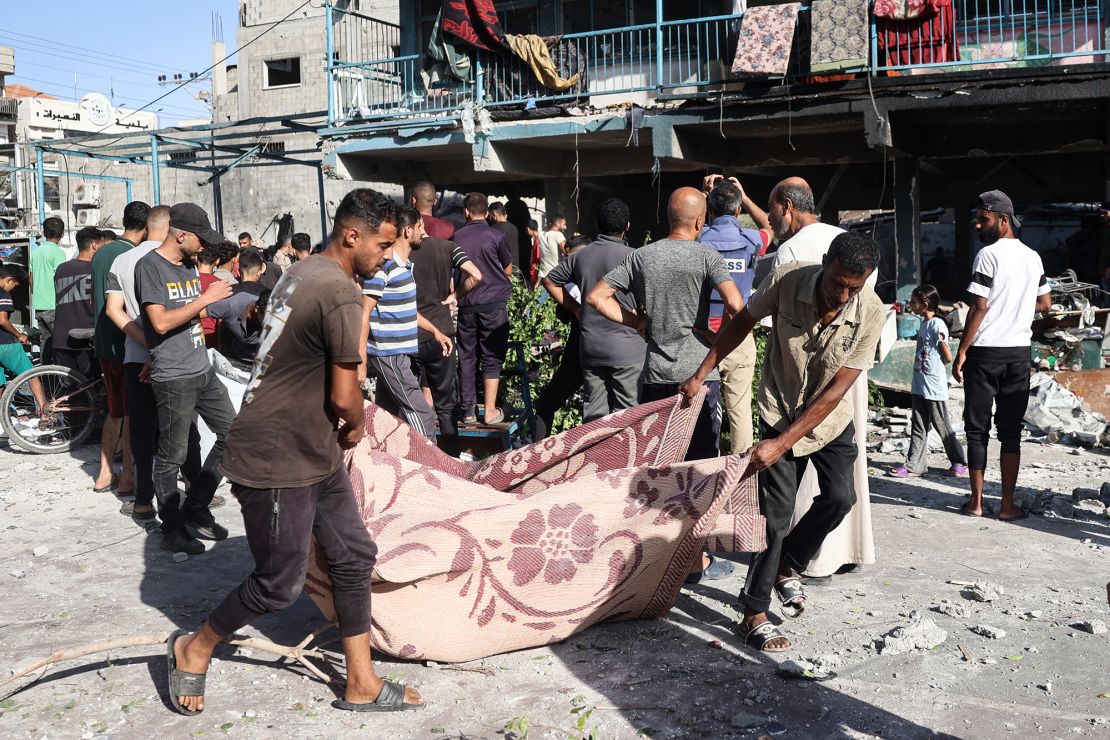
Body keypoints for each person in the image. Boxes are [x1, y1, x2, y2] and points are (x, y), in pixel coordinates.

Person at [166, 188, 424, 716]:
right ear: (352, 235)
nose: (388, 257)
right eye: (383, 245)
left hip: (311, 449)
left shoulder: (302, 272)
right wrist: (353, 427)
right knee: (278, 582)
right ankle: (196, 645)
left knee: (353, 556)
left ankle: (361, 681)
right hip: (277, 454)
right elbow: (345, 396)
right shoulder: (340, 293)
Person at [681, 231, 885, 652]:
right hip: (780, 409)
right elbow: (742, 321)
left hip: (828, 421)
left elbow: (835, 393)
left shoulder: (872, 312)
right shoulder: (787, 280)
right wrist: (703, 372)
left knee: (841, 498)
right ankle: (753, 612)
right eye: (837, 283)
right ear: (825, 262)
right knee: (775, 514)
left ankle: (787, 563)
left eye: (854, 287)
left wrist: (781, 445)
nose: (842, 295)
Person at [767, 176, 877, 583]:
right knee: (843, 484)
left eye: (771, 208)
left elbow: (772, 327)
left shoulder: (792, 252)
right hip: (849, 378)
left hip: (806, 382)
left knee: (804, 479)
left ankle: (796, 561)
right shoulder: (854, 244)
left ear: (785, 206)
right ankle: (842, 553)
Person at [135, 203, 236, 555]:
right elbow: (160, 322)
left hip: (201, 368)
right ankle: (172, 527)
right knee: (172, 455)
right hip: (175, 376)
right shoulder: (149, 266)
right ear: (181, 235)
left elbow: (189, 315)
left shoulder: (190, 264)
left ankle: (195, 506)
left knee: (234, 435)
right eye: (200, 239)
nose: (205, 247)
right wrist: (206, 298)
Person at [952, 190, 1051, 521]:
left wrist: (962, 350)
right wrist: (1019, 307)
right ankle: (1007, 506)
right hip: (1018, 355)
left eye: (984, 219)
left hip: (985, 353)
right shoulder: (1033, 257)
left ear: (1003, 219)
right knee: (1010, 431)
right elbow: (1045, 305)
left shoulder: (987, 255)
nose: (979, 225)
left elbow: (978, 306)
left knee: (977, 429)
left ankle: (977, 503)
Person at [105, 206, 203, 524]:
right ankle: (193, 491)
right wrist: (156, 340)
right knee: (183, 429)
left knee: (144, 432)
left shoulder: (122, 260)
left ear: (147, 228)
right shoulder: (180, 260)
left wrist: (142, 340)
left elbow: (113, 311)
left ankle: (144, 501)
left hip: (136, 358)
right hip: (178, 358)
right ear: (173, 228)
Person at [543, 198, 646, 423]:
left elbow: (549, 281)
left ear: (598, 225)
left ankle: (596, 458)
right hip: (628, 350)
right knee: (627, 418)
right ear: (627, 226)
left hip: (591, 348)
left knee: (594, 418)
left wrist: (575, 308)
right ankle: (623, 459)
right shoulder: (635, 257)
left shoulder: (581, 255)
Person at [699, 176, 772, 454]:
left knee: (700, 410)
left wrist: (705, 195)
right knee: (739, 411)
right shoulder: (752, 240)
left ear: (711, 210)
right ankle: (739, 473)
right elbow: (770, 225)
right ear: (738, 210)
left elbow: (687, 221)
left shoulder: (699, 239)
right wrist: (744, 193)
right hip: (739, 334)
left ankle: (702, 466)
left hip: (702, 337)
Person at [359, 207, 440, 441]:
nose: (423, 233)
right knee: (422, 413)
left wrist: (435, 331)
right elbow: (365, 310)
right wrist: (362, 359)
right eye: (420, 227)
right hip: (388, 354)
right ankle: (433, 466)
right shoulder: (384, 266)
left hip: (400, 353)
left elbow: (407, 311)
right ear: (407, 231)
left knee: (387, 414)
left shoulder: (404, 266)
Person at [410, 215, 483, 454]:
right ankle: (451, 455)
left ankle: (422, 453)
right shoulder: (448, 247)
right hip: (442, 333)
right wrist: (455, 295)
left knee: (414, 402)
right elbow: (477, 275)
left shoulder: (402, 252)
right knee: (446, 402)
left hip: (411, 334)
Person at [92, 201, 149, 496]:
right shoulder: (131, 255)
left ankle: (103, 474)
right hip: (125, 342)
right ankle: (128, 476)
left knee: (115, 411)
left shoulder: (102, 252)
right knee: (132, 413)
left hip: (102, 342)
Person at [889, 285, 968, 478]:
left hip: (933, 386)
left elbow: (947, 356)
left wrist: (934, 363)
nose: (911, 306)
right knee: (919, 425)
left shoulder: (936, 325)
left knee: (942, 425)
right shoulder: (924, 325)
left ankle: (959, 461)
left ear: (924, 304)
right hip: (919, 384)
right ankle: (915, 465)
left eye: (914, 303)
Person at [452, 192, 514, 425]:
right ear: (487, 213)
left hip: (466, 304)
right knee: (492, 357)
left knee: (466, 357)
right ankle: (489, 412)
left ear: (465, 212)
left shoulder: (455, 237)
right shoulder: (495, 235)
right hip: (494, 304)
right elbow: (508, 268)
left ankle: (467, 412)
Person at [533, 235, 591, 439]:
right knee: (545, 404)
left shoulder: (580, 284)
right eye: (567, 260)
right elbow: (552, 328)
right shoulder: (565, 285)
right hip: (575, 357)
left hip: (583, 356)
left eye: (574, 260)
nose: (571, 265)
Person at [0, 264, 47, 416]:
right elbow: (2, 320)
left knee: (0, 382)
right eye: (14, 285)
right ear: (9, 280)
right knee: (30, 375)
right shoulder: (3, 294)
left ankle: (2, 418)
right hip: (5, 344)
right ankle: (45, 411)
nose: (12, 289)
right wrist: (19, 335)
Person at [30, 216, 68, 364]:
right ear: (62, 234)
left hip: (39, 304)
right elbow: (61, 279)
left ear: (44, 233)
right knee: (61, 343)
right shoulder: (59, 253)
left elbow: (31, 278)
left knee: (46, 342)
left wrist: (38, 294)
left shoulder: (36, 252)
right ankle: (61, 376)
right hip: (54, 305)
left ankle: (46, 376)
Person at [488, 201, 521, 276]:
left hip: (502, 273)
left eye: (490, 216)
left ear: (494, 214)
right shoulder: (514, 228)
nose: (490, 219)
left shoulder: (494, 229)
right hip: (516, 270)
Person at [538, 214, 567, 279]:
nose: (566, 227)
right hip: (555, 275)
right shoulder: (558, 234)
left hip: (543, 275)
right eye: (564, 224)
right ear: (557, 224)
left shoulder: (541, 235)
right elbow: (567, 251)